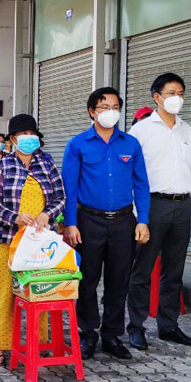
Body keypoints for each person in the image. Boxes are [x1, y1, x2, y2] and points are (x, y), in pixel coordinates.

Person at [61, 87, 150, 361]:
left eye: (114, 107)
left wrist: (143, 220)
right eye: (104, 107)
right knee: (86, 280)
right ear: (92, 112)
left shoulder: (130, 144)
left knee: (118, 280)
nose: (110, 112)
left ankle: (112, 334)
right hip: (88, 221)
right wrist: (70, 223)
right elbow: (69, 187)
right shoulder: (78, 144)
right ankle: (87, 333)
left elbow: (142, 184)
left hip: (124, 221)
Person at [126, 73, 191, 350]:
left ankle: (168, 326)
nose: (177, 98)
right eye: (171, 92)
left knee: (174, 270)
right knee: (143, 270)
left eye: (181, 93)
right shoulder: (141, 131)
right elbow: (131, 175)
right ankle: (135, 327)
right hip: (152, 205)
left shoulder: (188, 131)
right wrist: (139, 215)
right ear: (156, 97)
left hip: (182, 205)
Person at [0, 114, 66, 366]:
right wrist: (15, 217)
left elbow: (61, 196)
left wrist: (46, 214)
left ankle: (39, 342)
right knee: (7, 292)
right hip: (11, 240)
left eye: (33, 134)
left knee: (39, 292)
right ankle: (2, 346)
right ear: (12, 139)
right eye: (24, 134)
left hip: (41, 242)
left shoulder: (47, 163)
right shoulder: (2, 166)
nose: (29, 138)